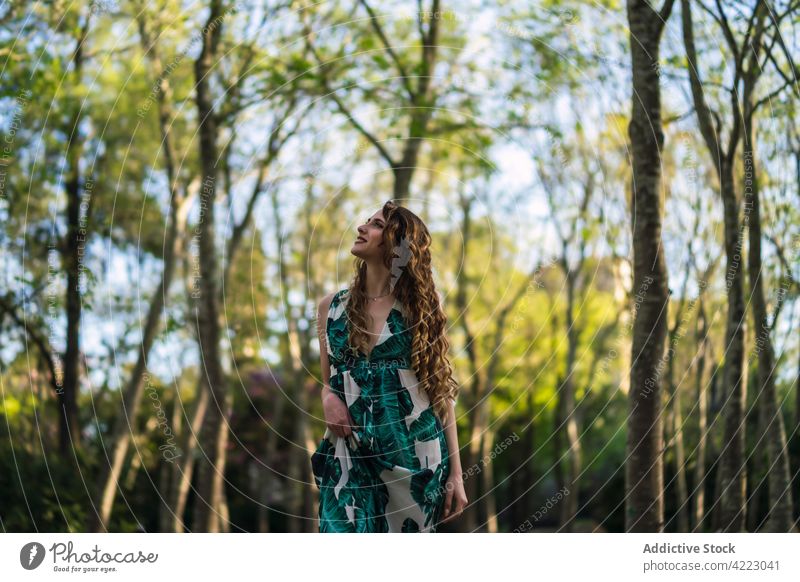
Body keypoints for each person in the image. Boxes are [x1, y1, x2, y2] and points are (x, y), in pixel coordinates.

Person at [310, 200, 467, 532]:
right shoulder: (330, 308)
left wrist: (456, 473)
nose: (362, 227)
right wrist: (328, 399)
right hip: (349, 454)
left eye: (377, 224)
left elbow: (441, 390)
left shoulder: (421, 307)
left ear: (397, 242)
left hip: (414, 458)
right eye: (367, 221)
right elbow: (328, 381)